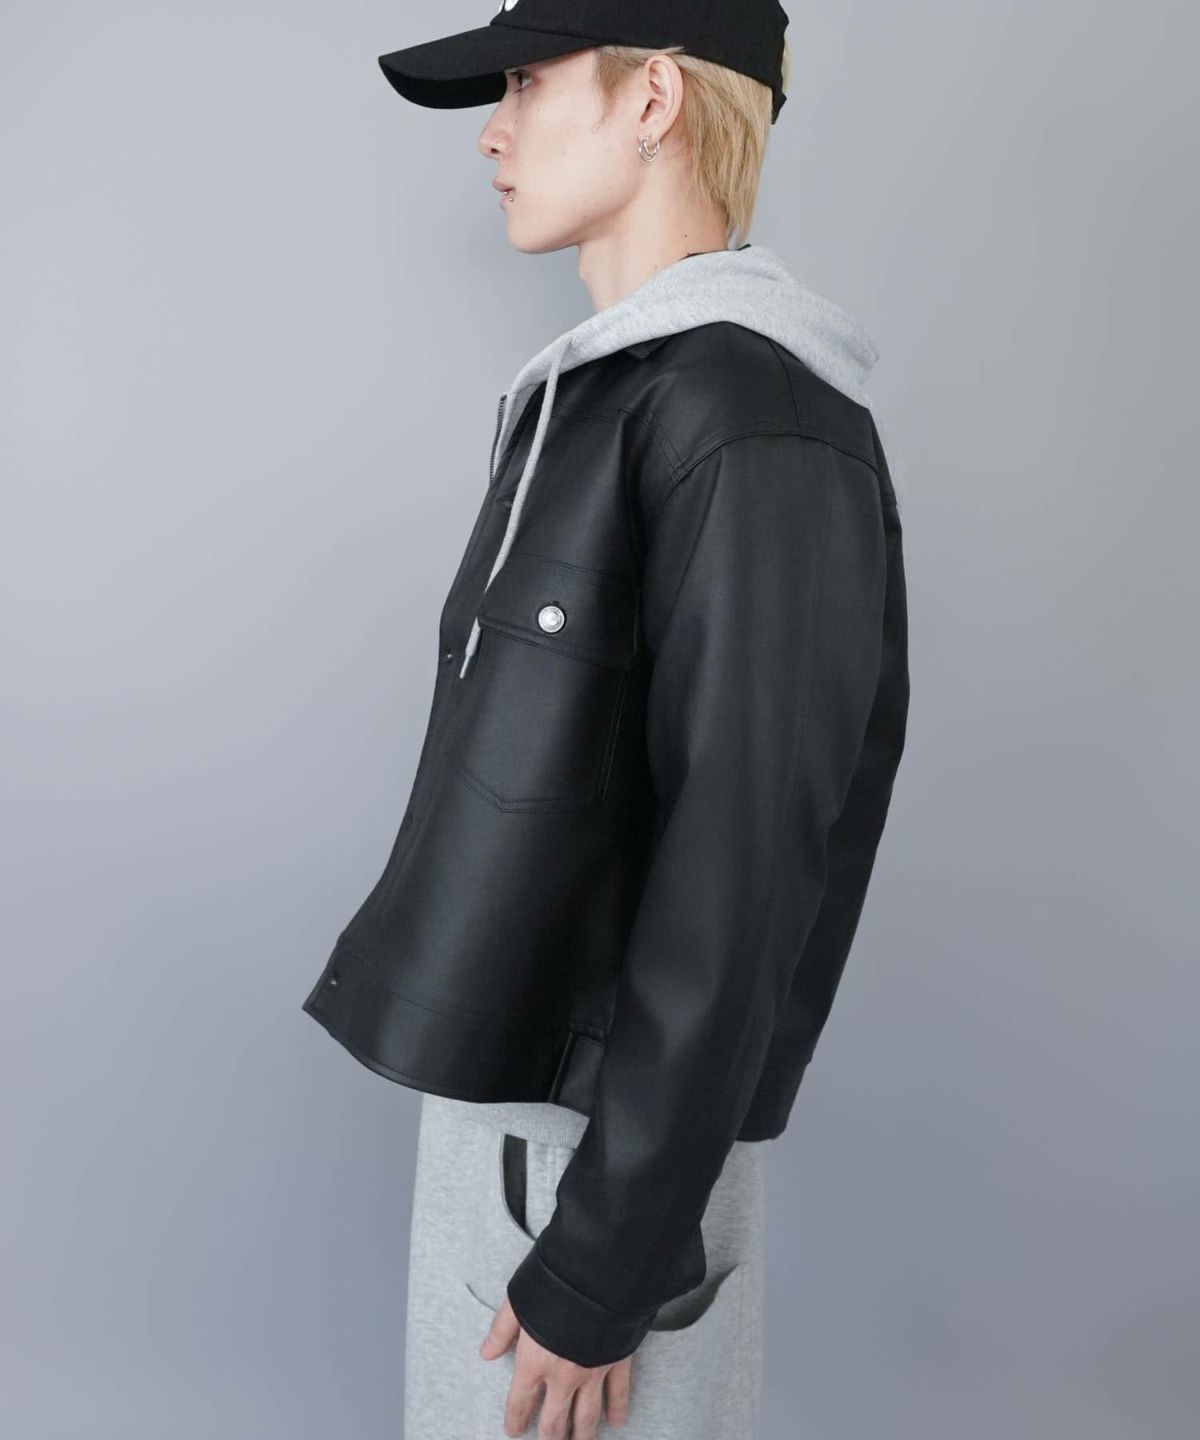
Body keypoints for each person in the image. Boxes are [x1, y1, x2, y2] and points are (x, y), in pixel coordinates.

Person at [300, 3, 910, 1436]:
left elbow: (747, 866)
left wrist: (603, 1260)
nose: (493, 132)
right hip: (523, 1134)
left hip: (592, 1182)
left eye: (526, 81)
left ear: (652, 102)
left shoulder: (747, 414)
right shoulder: (608, 395)